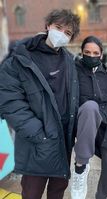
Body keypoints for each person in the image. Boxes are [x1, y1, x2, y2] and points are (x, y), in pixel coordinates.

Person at [0, 9, 80, 199]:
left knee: (57, 191)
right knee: (31, 192)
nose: (61, 34)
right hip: (35, 142)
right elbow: (10, 102)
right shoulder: (20, 60)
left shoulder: (69, 61)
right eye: (58, 28)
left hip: (63, 141)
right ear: (47, 26)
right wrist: (39, 134)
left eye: (68, 33)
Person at [71, 36, 107, 199]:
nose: (91, 56)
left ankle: (101, 195)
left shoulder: (106, 71)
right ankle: (81, 167)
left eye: (95, 53)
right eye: (87, 52)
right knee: (90, 106)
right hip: (84, 119)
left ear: (100, 55)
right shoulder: (74, 69)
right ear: (82, 53)